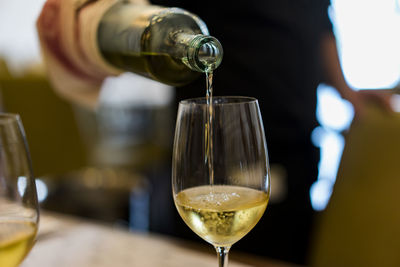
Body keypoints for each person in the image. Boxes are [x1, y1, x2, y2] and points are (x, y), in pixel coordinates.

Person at [148, 0, 393, 264]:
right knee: (206, 257)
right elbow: (159, 23)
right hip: (216, 154)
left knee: (287, 251)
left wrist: (346, 91)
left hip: (296, 150)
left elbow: (318, 26)